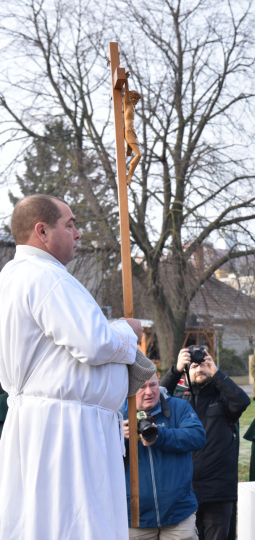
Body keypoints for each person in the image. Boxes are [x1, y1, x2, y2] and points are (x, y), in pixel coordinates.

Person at [0, 194, 156, 540]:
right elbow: (94, 342)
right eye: (69, 225)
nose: (78, 233)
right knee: (75, 525)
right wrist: (126, 330)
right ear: (42, 231)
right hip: (67, 431)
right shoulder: (44, 276)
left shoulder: (14, 276)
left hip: (51, 422)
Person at [161, 350, 250, 540]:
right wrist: (176, 370)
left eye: (203, 365)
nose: (199, 369)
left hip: (218, 489)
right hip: (184, 488)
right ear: (186, 373)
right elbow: (158, 397)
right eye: (194, 366)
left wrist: (216, 373)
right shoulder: (177, 402)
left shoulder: (223, 398)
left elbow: (242, 401)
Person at [122, 374, 206, 539]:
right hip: (135, 519)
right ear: (128, 389)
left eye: (153, 385)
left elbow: (198, 437)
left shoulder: (179, 407)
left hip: (179, 515)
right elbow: (97, 456)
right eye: (141, 387)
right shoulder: (116, 415)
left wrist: (160, 436)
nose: (149, 392)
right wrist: (118, 437)